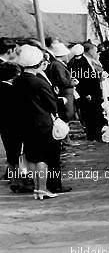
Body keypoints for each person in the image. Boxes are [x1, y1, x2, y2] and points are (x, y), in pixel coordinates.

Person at [13, 45, 61, 200]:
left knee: (32, 156)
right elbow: (52, 105)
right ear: (38, 63)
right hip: (42, 124)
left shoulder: (17, 81)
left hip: (25, 123)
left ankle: (37, 188)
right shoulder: (39, 83)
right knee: (44, 158)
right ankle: (43, 188)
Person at [0, 62, 31, 193]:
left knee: (10, 154)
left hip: (4, 126)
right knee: (18, 154)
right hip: (16, 125)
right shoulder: (13, 90)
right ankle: (19, 181)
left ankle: (14, 180)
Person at [68, 43, 104, 141]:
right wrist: (86, 93)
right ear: (90, 51)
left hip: (93, 92)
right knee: (91, 115)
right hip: (88, 93)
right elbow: (82, 80)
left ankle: (95, 134)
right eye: (95, 51)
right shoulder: (79, 62)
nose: (96, 53)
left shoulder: (89, 60)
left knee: (95, 114)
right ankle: (93, 135)